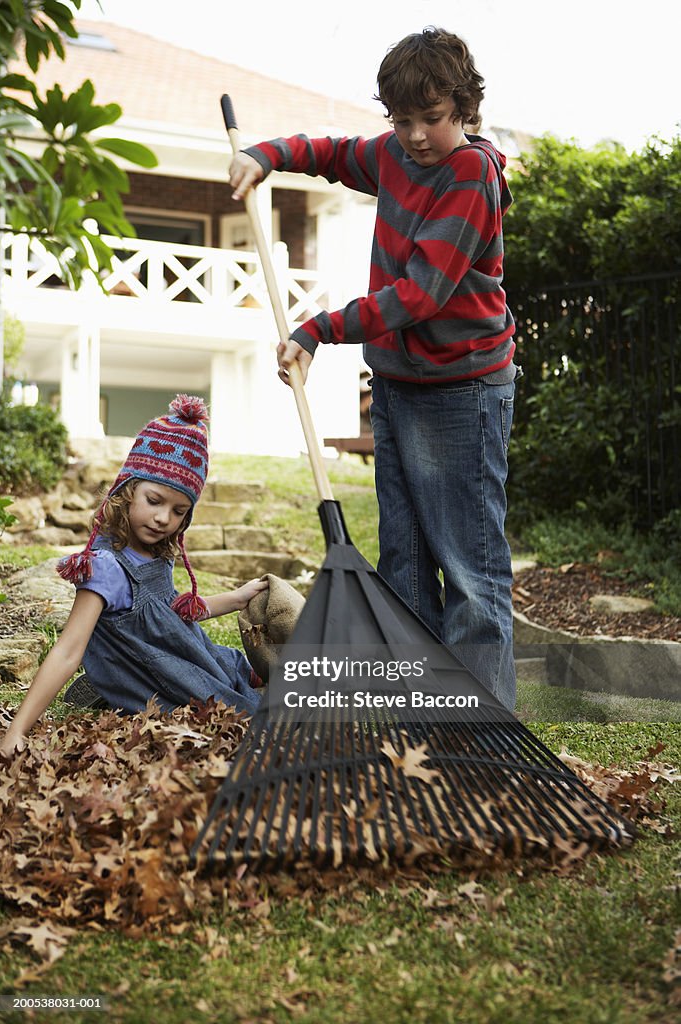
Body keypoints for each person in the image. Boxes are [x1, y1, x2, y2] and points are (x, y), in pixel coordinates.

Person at [229, 27, 519, 711]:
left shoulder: (471, 175)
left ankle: (486, 731)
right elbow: (331, 153)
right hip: (397, 384)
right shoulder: (394, 155)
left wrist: (321, 328)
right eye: (401, 119)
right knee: (406, 566)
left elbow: (420, 295)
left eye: (432, 118)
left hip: (464, 387)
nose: (415, 136)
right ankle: (423, 715)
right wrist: (264, 155)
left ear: (465, 108)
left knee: (469, 570)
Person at [0, 395, 267, 757]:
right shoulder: (107, 567)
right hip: (162, 676)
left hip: (183, 654)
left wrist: (237, 598)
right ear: (127, 490)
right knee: (237, 712)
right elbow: (68, 650)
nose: (163, 519)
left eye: (178, 511)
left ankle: (105, 686)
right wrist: (16, 731)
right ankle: (111, 682)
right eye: (154, 501)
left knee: (231, 665)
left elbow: (174, 615)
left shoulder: (157, 552)